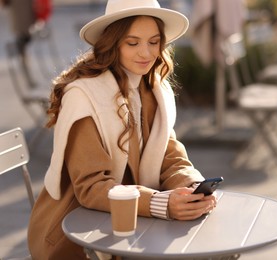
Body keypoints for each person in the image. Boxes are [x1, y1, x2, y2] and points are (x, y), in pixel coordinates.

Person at [27, 0, 217, 259]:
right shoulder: (83, 96)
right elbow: (91, 187)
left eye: (153, 42)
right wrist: (163, 204)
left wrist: (192, 189)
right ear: (113, 42)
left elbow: (169, 156)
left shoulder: (153, 90)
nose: (146, 53)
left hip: (135, 228)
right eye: (132, 42)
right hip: (76, 237)